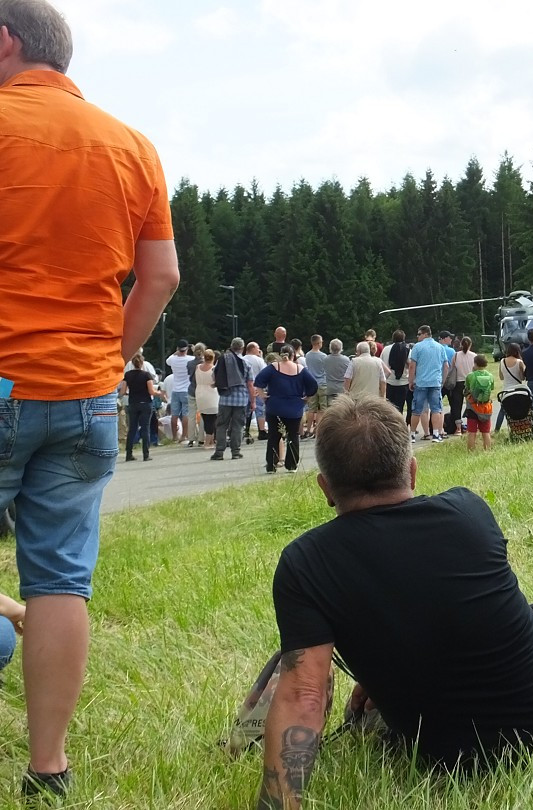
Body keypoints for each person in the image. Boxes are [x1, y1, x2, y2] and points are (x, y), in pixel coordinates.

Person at [0, 1, 179, 795]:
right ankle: (48, 768)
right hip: (86, 395)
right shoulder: (131, 145)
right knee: (59, 581)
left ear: (4, 41)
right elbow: (161, 275)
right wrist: (109, 362)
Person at [257, 396, 533, 807]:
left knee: (360, 708)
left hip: (443, 756)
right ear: (412, 471)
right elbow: (467, 612)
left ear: (326, 488)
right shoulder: (468, 511)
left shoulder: (305, 563)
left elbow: (303, 697)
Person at [254, 346, 319, 474]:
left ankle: (271, 465)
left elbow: (258, 380)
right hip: (294, 408)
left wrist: (262, 395)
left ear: (280, 355)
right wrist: (306, 397)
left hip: (275, 407)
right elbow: (313, 385)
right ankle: (292, 465)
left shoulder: (274, 367)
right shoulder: (300, 369)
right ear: (293, 355)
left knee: (274, 436)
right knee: (293, 436)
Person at [211, 337, 257, 461]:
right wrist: (253, 401)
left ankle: (219, 452)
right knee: (238, 426)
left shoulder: (223, 359)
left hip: (225, 398)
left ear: (231, 346)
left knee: (221, 425)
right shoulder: (246, 363)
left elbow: (214, 375)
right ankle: (236, 452)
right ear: (242, 348)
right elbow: (250, 384)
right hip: (241, 399)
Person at [408, 325, 450, 443]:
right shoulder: (440, 347)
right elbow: (446, 366)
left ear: (425, 334)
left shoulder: (417, 347)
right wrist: (442, 381)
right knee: (436, 409)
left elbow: (412, 366)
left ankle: (412, 434)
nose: (417, 337)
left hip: (421, 382)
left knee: (417, 410)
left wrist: (411, 381)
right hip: (435, 382)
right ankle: (436, 434)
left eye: (419, 334)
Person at [120, 354, 156, 462]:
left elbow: (122, 391)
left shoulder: (128, 375)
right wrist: (160, 393)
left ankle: (129, 454)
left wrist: (127, 393)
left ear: (132, 363)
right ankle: (146, 454)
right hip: (145, 402)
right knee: (145, 428)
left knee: (132, 428)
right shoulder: (146, 375)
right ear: (142, 363)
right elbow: (151, 391)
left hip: (133, 403)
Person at [464, 354, 496, 451]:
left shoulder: (470, 376)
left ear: (475, 364)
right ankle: (487, 451)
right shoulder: (490, 376)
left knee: (472, 432)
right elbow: (492, 388)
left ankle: (471, 452)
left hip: (472, 407)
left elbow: (466, 389)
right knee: (486, 432)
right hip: (486, 407)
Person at [447, 336, 477, 436]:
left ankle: (458, 428)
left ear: (461, 344)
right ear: (470, 345)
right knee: (471, 404)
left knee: (457, 405)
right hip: (471, 382)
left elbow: (452, 368)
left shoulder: (456, 355)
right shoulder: (474, 356)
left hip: (458, 382)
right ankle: (472, 425)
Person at [494, 342, 527, 433]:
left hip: (506, 390)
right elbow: (522, 378)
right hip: (517, 390)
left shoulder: (502, 361)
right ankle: (519, 427)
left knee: (502, 410)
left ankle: (497, 429)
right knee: (519, 410)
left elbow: (501, 377)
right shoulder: (519, 362)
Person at [380, 330, 412, 421]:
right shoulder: (408, 350)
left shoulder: (386, 349)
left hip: (389, 381)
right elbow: (411, 365)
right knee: (400, 407)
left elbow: (381, 363)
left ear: (393, 338)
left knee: (389, 408)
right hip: (403, 382)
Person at [166, 339, 193, 444]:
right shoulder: (190, 359)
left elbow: (168, 360)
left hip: (176, 389)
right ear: (187, 349)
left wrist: (176, 352)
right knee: (186, 414)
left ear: (178, 348)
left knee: (174, 414)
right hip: (186, 389)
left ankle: (174, 437)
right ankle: (184, 436)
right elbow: (199, 359)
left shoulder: (172, 360)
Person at [302, 335, 328, 439]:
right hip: (322, 384)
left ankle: (308, 430)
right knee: (322, 409)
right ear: (318, 343)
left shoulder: (307, 355)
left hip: (312, 384)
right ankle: (318, 430)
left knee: (311, 409)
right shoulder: (323, 356)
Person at [194, 349, 220, 449]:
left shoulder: (198, 367)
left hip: (200, 393)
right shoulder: (214, 369)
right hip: (211, 394)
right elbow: (216, 382)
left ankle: (210, 440)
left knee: (205, 418)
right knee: (213, 419)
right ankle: (208, 442)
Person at [244, 342, 269, 441]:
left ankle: (245, 430)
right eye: (258, 348)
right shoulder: (259, 360)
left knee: (245, 411)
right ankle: (262, 431)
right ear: (253, 348)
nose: (259, 350)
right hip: (257, 388)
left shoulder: (242, 359)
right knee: (260, 409)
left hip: (245, 388)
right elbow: (265, 373)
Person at [323, 338, 351, 409]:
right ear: (341, 348)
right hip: (341, 388)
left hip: (330, 388)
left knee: (330, 409)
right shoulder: (346, 360)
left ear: (330, 348)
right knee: (341, 410)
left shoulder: (326, 359)